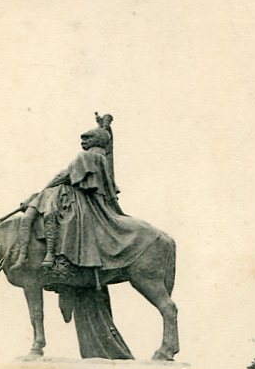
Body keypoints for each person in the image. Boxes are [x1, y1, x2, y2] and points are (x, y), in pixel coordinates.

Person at [10, 113, 160, 273]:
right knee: (35, 216)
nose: (83, 141)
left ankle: (50, 256)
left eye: (88, 138)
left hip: (71, 195)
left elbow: (65, 175)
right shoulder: (101, 156)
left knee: (51, 216)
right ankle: (27, 256)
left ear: (97, 140)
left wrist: (42, 191)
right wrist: (105, 127)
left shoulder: (87, 156)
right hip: (64, 194)